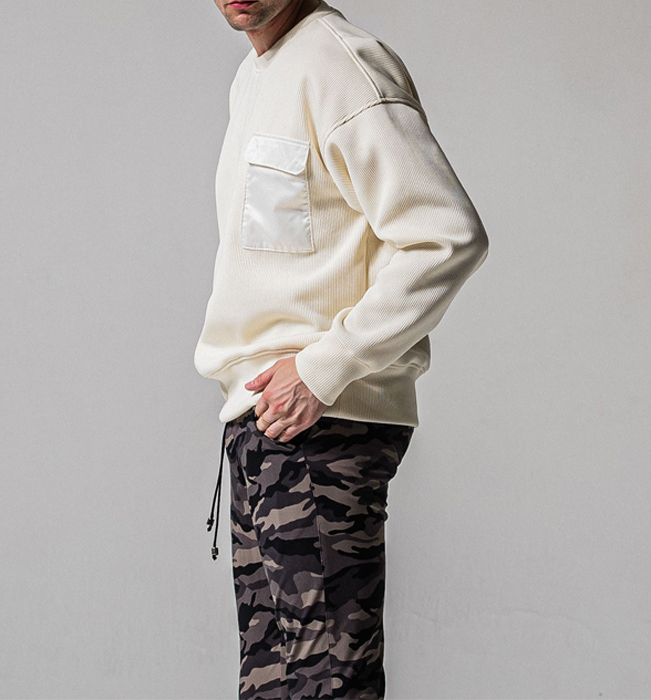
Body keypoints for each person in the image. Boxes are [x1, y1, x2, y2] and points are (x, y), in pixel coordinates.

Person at [193, 1, 489, 697]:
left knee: (329, 683)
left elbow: (445, 236)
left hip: (323, 429)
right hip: (263, 428)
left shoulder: (341, 65)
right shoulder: (257, 76)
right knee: (274, 685)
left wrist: (324, 369)